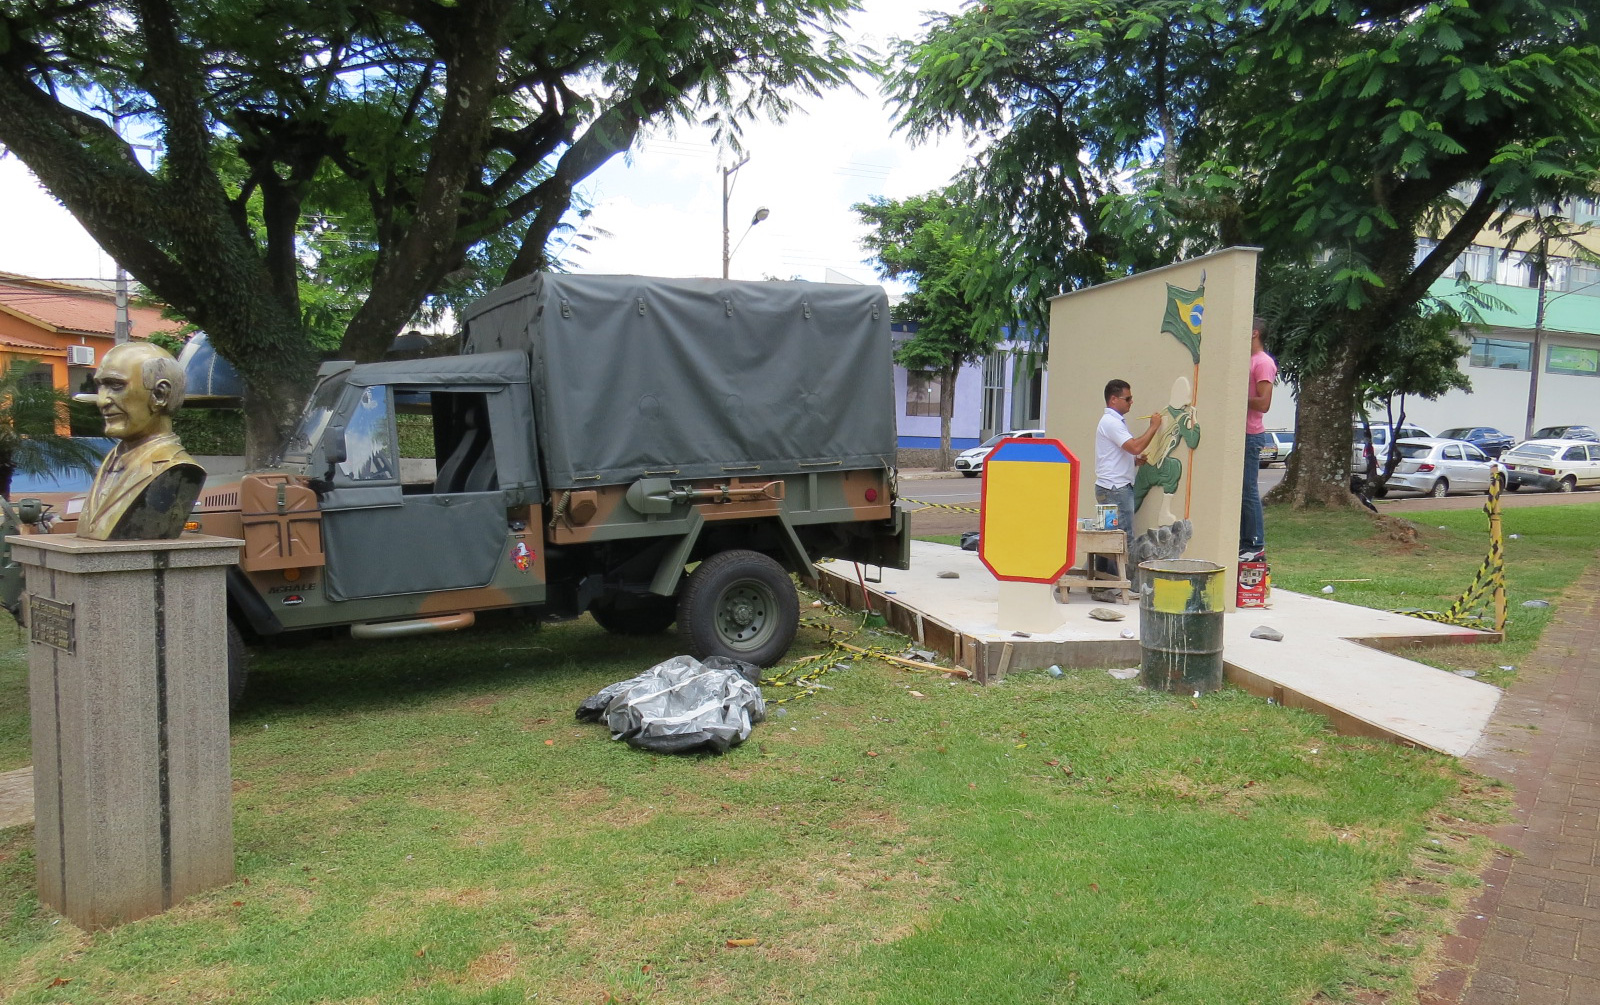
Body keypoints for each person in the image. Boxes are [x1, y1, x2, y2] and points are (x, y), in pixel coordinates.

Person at [76, 342, 206, 541]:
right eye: (100, 386)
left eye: (116, 386)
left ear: (160, 395)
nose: (101, 401)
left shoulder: (178, 469)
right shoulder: (111, 461)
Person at [1094, 379, 1161, 597]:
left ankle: (1104, 584)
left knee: (1108, 537)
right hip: (1116, 489)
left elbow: (1115, 454)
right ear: (1114, 399)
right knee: (1121, 538)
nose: (1131, 402)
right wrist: (1153, 427)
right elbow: (1134, 446)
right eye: (1128, 398)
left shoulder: (1110, 422)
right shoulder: (1112, 422)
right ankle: (1117, 585)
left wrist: (1133, 462)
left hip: (1107, 487)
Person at [1240, 316, 1278, 562]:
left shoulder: (1263, 362)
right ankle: (1243, 543)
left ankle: (1255, 545)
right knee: (1240, 491)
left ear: (1254, 333)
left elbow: (1264, 403)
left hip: (1251, 435)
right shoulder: (1246, 360)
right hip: (1240, 434)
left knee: (1249, 490)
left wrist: (1236, 396)